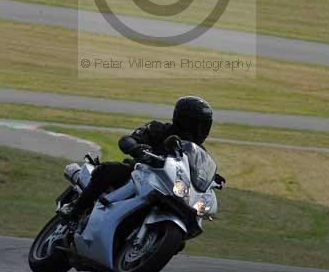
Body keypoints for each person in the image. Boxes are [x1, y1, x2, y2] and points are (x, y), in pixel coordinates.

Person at [60, 96, 214, 224]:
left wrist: (212, 179)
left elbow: (198, 174)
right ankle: (76, 208)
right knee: (107, 170)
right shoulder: (158, 129)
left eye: (205, 125)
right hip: (139, 173)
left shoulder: (198, 152)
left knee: (184, 230)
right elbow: (127, 140)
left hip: (170, 188)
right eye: (198, 124)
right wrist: (136, 147)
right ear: (184, 120)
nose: (201, 130)